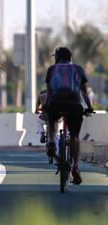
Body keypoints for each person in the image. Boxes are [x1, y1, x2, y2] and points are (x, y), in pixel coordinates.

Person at [45, 47, 93, 185]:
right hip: (74, 104)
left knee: (52, 121)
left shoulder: (52, 69)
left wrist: (47, 106)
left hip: (56, 103)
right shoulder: (78, 69)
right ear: (70, 58)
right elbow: (84, 91)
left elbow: (49, 92)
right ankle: (76, 167)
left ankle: (51, 143)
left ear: (57, 58)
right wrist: (89, 107)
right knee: (74, 136)